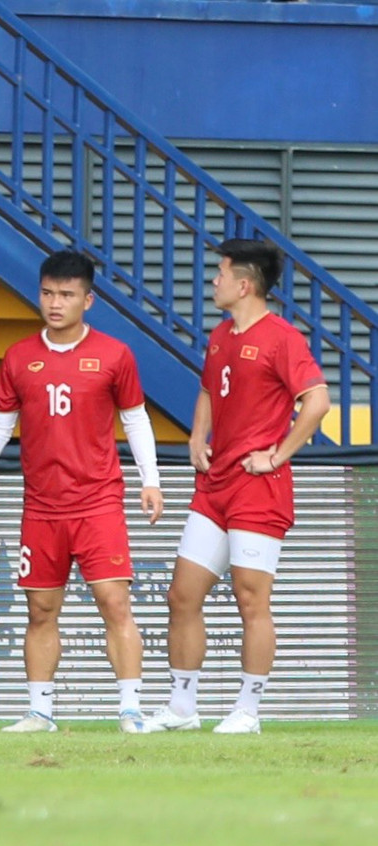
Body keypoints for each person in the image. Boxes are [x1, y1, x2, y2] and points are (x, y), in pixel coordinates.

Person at [0, 250, 164, 734]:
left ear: (87, 300)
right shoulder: (19, 356)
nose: (55, 302)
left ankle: (130, 710)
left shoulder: (114, 355)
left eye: (67, 294)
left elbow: (135, 419)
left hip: (98, 503)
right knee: (40, 610)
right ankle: (40, 712)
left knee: (114, 601)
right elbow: (0, 426)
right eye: (47, 292)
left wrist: (150, 480)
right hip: (42, 507)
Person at [144, 238, 329, 735]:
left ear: (244, 284)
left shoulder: (282, 338)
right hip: (214, 485)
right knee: (182, 595)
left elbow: (316, 401)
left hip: (257, 487)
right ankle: (182, 707)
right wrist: (197, 436)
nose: (214, 280)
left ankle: (247, 710)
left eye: (221, 273)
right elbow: (208, 388)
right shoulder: (221, 335)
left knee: (251, 600)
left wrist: (276, 455)